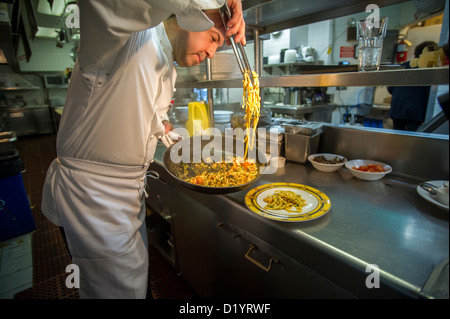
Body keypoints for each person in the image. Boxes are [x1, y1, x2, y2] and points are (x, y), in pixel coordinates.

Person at [41, 0, 246, 299]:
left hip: (127, 195)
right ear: (186, 14)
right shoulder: (124, 34)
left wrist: (168, 132)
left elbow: (142, 108)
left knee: (136, 284)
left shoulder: (166, 58)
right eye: (213, 38)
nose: (212, 52)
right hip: (96, 198)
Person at [388, 41, 437, 131]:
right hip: (415, 112)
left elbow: (390, 87)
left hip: (398, 108)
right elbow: (429, 94)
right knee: (410, 140)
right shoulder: (428, 70)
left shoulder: (403, 66)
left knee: (396, 137)